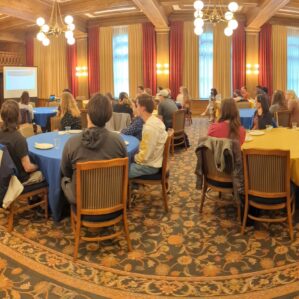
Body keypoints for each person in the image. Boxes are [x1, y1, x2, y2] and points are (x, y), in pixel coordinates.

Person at [61, 93, 128, 204]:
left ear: (88, 115)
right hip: (113, 202)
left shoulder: (72, 143)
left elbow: (66, 172)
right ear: (109, 116)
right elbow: (125, 173)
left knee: (64, 180)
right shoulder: (119, 141)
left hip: (83, 204)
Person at [0, 100, 42, 184]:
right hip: (17, 181)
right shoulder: (19, 139)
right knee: (43, 173)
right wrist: (40, 166)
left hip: (3, 177)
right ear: (18, 116)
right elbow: (28, 168)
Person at [129, 94, 167, 179]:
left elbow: (145, 156)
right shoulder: (156, 120)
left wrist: (132, 157)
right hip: (155, 160)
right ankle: (134, 186)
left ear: (143, 108)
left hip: (150, 166)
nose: (134, 108)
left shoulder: (149, 128)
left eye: (136, 105)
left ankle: (129, 189)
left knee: (120, 171)